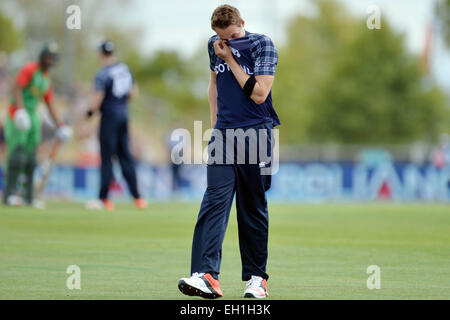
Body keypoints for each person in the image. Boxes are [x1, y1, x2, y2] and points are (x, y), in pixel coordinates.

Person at [178, 5, 280, 299]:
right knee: (214, 202)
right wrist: (215, 127)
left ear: (242, 24)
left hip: (257, 133)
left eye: (233, 36)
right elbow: (213, 84)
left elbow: (259, 93)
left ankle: (257, 280)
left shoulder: (263, 44)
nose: (228, 42)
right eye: (223, 38)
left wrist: (231, 59)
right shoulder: (215, 45)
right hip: (224, 136)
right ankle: (206, 274)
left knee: (252, 207)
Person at [3, 42, 67, 207]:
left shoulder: (46, 79)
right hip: (18, 114)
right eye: (48, 57)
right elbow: (17, 87)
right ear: (42, 57)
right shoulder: (30, 69)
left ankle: (29, 197)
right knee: (17, 154)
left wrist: (61, 125)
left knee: (31, 158)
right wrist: (20, 110)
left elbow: (49, 103)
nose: (50, 61)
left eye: (53, 58)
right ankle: (9, 194)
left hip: (33, 117)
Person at [86, 40, 147, 211]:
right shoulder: (124, 69)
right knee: (125, 156)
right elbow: (133, 93)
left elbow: (98, 96)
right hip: (123, 115)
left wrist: (89, 113)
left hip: (109, 116)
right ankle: (138, 198)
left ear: (100, 54)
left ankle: (104, 198)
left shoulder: (103, 73)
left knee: (107, 157)